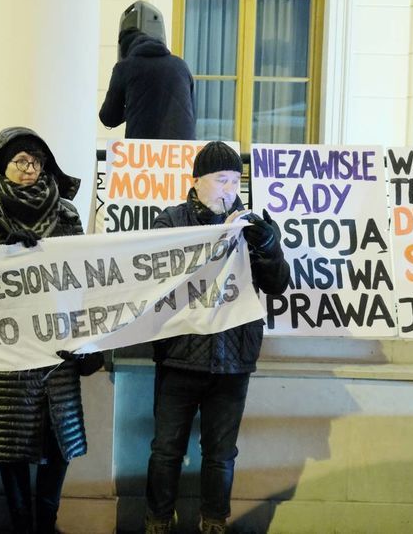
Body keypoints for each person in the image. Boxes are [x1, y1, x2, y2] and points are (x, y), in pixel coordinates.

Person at [144, 141, 290, 534]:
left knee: (221, 454)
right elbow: (149, 280)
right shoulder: (171, 222)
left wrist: (267, 245)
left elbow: (277, 284)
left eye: (235, 181)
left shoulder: (255, 224)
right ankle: (158, 520)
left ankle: (213, 521)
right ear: (195, 182)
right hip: (179, 357)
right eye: (221, 180)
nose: (230, 189)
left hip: (233, 358)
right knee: (165, 450)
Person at [0, 126, 102, 534]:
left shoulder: (66, 214)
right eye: (20, 160)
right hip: (9, 355)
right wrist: (6, 258)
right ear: (1, 166)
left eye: (36, 161)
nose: (29, 168)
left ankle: (48, 520)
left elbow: (84, 279)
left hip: (58, 352)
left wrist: (88, 336)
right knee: (12, 448)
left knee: (58, 443)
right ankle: (22, 524)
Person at [99, 27, 196, 140]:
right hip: (181, 148)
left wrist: (130, 107)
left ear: (125, 51)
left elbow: (108, 117)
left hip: (143, 149)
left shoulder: (125, 67)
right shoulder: (180, 65)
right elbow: (192, 111)